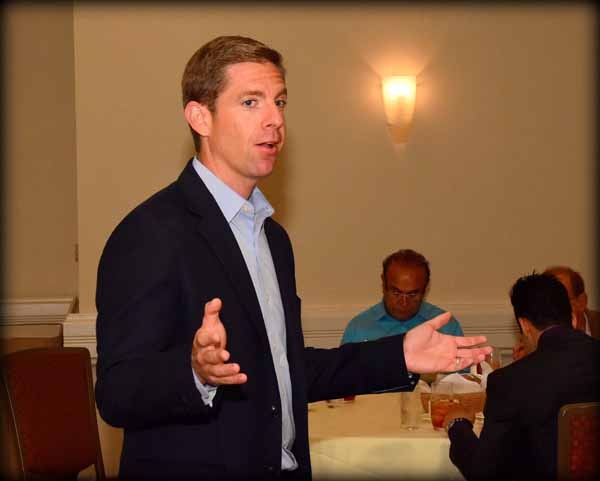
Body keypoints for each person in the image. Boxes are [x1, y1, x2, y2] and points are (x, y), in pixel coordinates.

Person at [94, 35, 490, 481]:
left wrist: (400, 354)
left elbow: (288, 369)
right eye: (251, 102)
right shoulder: (149, 233)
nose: (275, 120)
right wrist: (195, 372)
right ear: (200, 117)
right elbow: (117, 392)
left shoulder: (273, 239)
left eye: (279, 102)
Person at [443, 272, 600, 481]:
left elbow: (483, 470)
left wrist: (457, 425)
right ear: (572, 317)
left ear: (525, 326)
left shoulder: (509, 381)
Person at [341, 249, 464, 344]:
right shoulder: (359, 329)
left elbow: (463, 369)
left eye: (412, 294)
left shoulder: (447, 327)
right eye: (396, 293)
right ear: (383, 284)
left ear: (425, 289)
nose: (404, 303)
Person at [512, 265, 600, 360]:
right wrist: (528, 360)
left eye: (561, 302)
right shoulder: (532, 339)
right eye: (545, 304)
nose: (553, 311)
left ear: (581, 302)